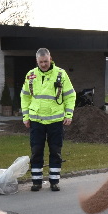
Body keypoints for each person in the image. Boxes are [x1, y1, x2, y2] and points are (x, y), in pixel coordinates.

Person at [20, 48, 76, 192]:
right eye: (41, 62)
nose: (43, 64)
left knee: (55, 151)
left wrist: (68, 115)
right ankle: (36, 182)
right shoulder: (30, 75)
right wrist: (25, 117)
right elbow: (25, 96)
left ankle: (54, 181)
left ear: (50, 59)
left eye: (46, 61)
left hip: (56, 121)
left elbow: (70, 95)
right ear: (36, 61)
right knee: (36, 151)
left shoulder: (61, 74)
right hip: (36, 121)